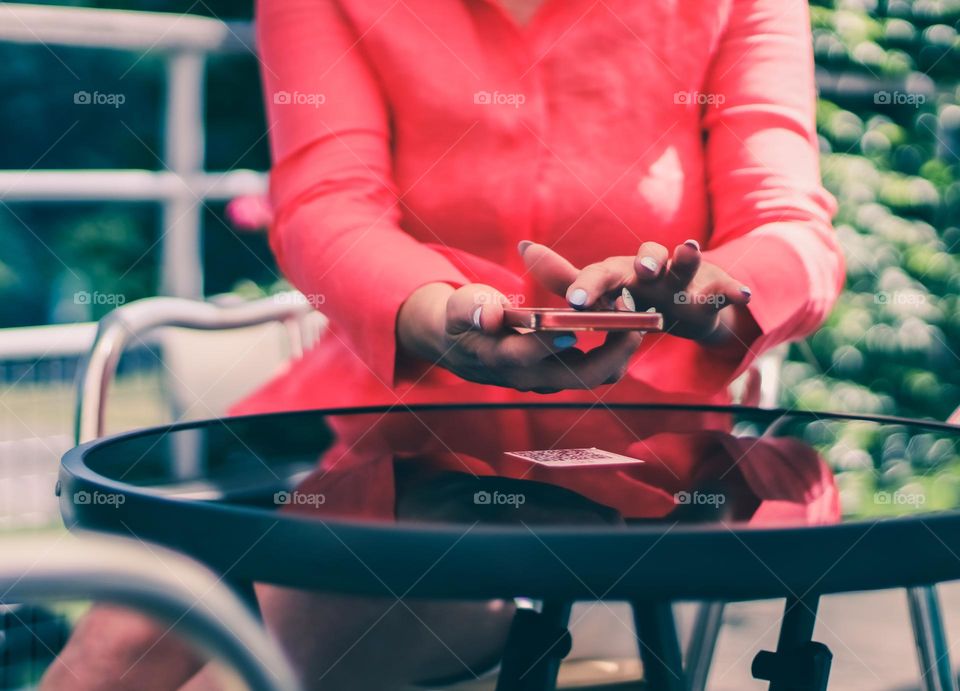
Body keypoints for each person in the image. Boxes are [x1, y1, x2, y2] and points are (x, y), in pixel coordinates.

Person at [41, 0, 845, 688]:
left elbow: (791, 229)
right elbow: (326, 198)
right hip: (393, 455)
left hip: (649, 475)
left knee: (254, 661)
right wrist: (436, 315)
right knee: (111, 650)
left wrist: (705, 295)